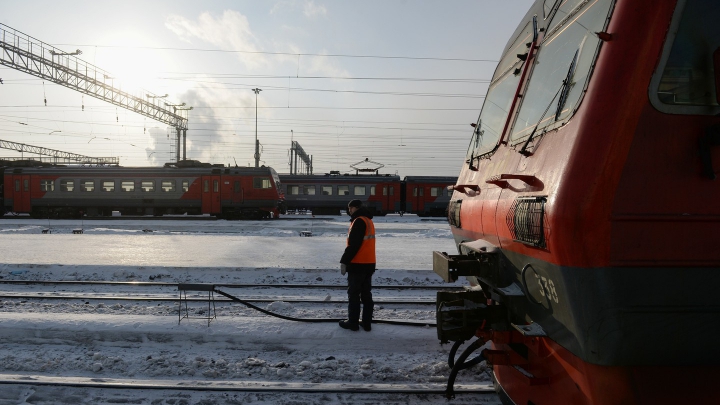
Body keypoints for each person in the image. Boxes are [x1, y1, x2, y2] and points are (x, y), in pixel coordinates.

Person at [339, 199, 375, 332]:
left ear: (356, 208)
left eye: (350, 209)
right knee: (366, 294)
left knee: (354, 294)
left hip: (358, 263)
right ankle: (366, 323)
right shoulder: (368, 220)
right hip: (369, 263)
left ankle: (353, 322)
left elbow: (354, 245)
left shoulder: (358, 221)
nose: (349, 211)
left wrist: (344, 261)